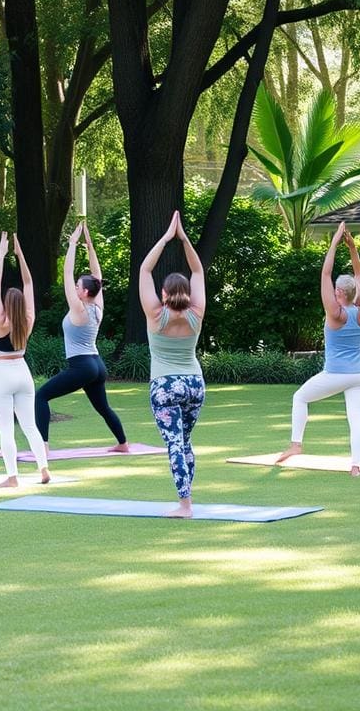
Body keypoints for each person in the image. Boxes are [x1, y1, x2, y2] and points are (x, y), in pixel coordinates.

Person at [277, 222, 360, 477]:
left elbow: (324, 274)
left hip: (336, 373)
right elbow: (359, 275)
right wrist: (352, 249)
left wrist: (334, 242)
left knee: (300, 397)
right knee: (356, 419)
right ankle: (355, 466)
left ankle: (296, 443)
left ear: (339, 292)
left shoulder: (335, 313)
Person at [34, 220, 129, 458]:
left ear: (85, 292)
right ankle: (122, 443)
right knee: (103, 407)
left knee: (41, 396)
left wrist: (73, 244)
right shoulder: (97, 305)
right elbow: (97, 276)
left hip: (82, 366)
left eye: (78, 286)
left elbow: (67, 273)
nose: (75, 287)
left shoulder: (79, 309)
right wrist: (89, 245)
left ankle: (43, 445)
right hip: (96, 365)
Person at [139, 211, 206, 518]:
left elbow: (144, 269)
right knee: (185, 442)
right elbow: (198, 270)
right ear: (187, 294)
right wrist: (184, 240)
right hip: (194, 384)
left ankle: (185, 505)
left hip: (165, 386)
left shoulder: (156, 314)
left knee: (175, 445)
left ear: (163, 293)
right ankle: (186, 499)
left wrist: (167, 239)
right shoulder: (196, 313)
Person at [0, 231, 50, 487]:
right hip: (22, 372)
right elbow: (28, 282)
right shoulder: (28, 319)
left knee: (6, 428)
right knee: (30, 425)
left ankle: (12, 476)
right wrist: (19, 254)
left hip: (1, 373)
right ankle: (43, 467)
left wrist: (2, 256)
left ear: (5, 302)